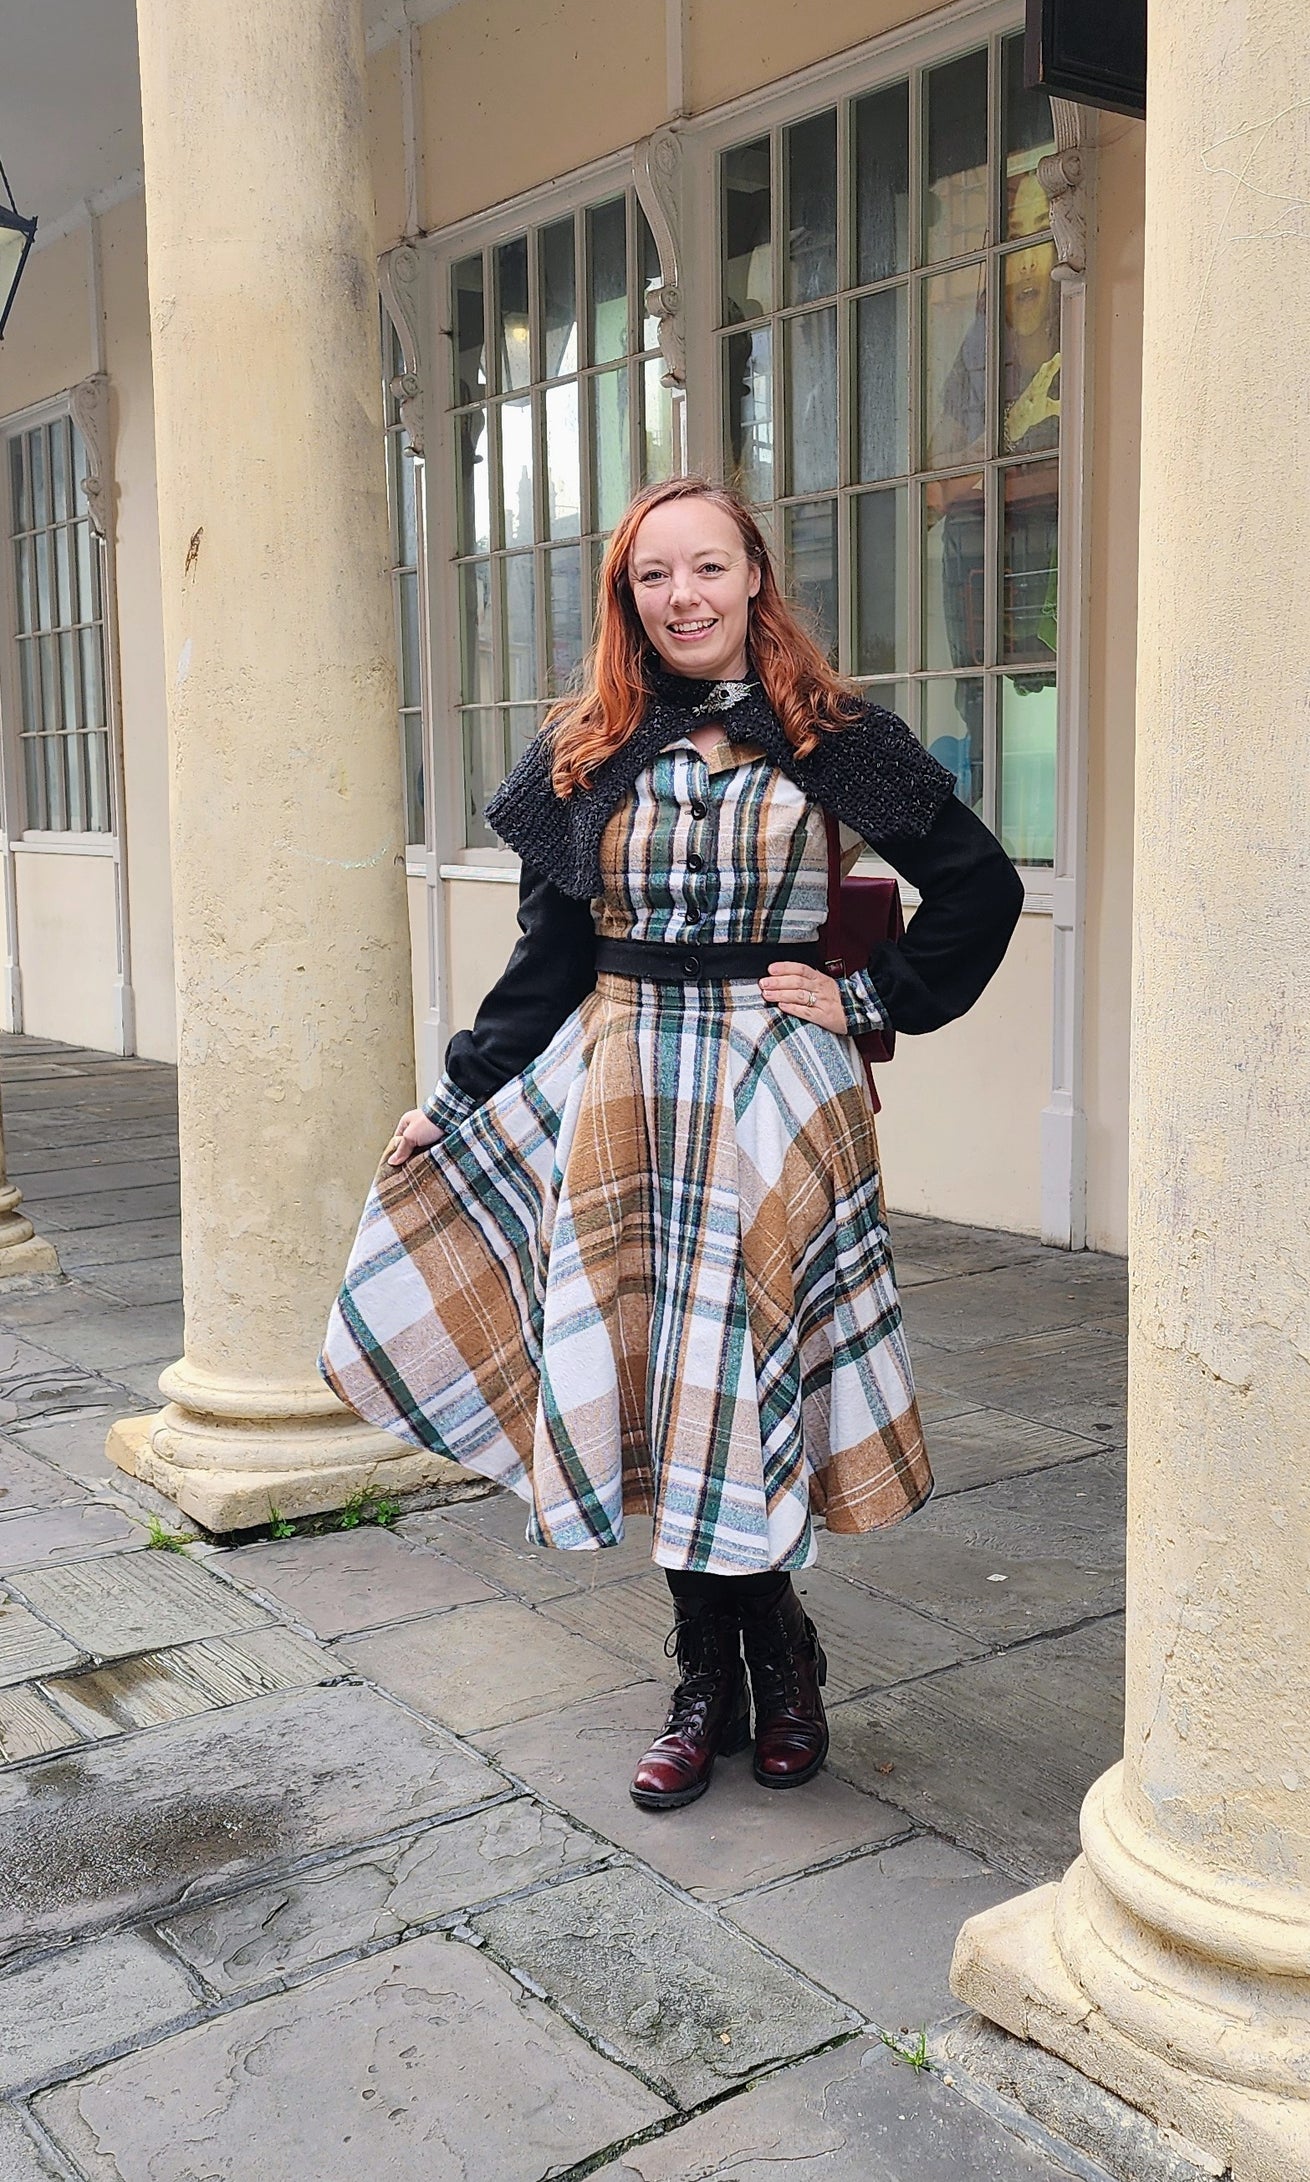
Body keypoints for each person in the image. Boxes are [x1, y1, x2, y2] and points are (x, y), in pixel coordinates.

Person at [322, 478, 1023, 1812]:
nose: (684, 595)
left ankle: (779, 1658)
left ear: (754, 576)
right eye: (656, 576)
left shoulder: (833, 735)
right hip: (625, 1082)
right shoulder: (583, 748)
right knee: (663, 1385)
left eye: (708, 567)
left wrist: (870, 997)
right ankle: (713, 1668)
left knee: (735, 1370)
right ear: (626, 596)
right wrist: (457, 1096)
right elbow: (549, 957)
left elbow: (978, 885)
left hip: (771, 1096)